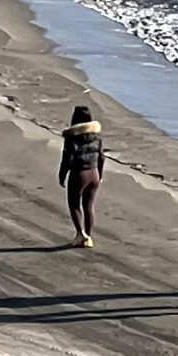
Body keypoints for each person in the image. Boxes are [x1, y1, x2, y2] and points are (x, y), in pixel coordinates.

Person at [58, 103, 103, 249]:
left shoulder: (72, 137)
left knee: (74, 204)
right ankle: (88, 237)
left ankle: (80, 234)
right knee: (89, 205)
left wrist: (62, 175)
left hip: (79, 173)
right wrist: (100, 174)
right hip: (94, 173)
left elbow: (67, 158)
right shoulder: (97, 136)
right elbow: (101, 157)